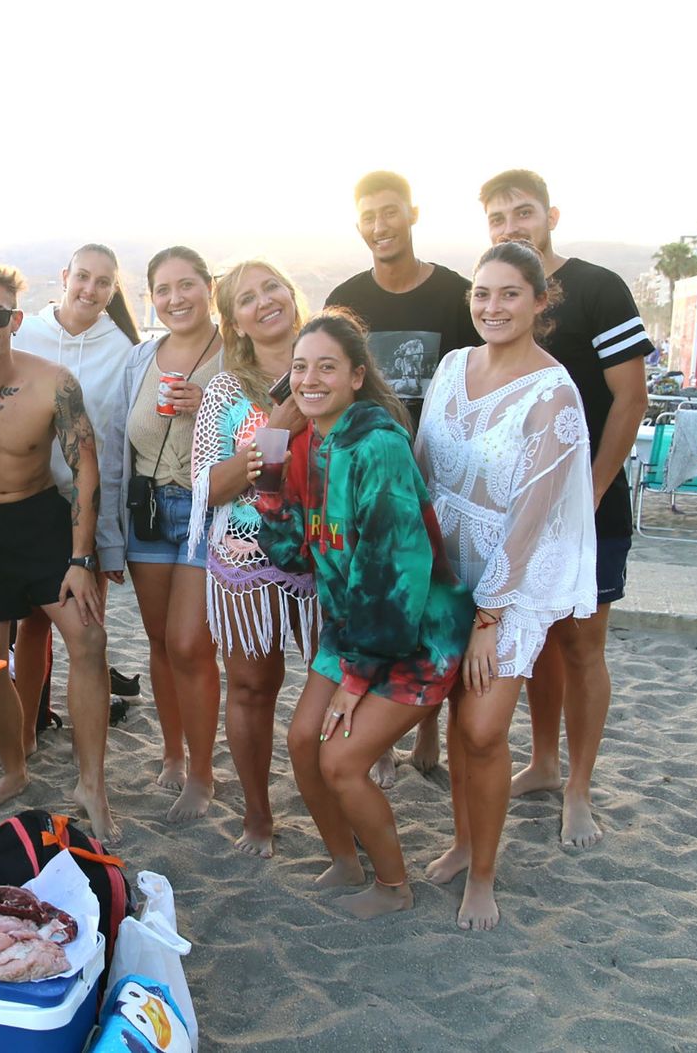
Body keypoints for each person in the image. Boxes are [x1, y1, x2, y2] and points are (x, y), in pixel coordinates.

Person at [256, 311, 471, 918]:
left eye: (327, 366)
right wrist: (272, 455)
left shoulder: (377, 445)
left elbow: (393, 572)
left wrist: (356, 679)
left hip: (417, 635)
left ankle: (393, 887)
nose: (309, 379)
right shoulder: (315, 444)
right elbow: (291, 552)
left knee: (343, 762)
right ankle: (346, 861)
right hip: (355, 627)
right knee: (302, 740)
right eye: (300, 367)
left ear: (356, 376)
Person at [416, 241, 598, 930]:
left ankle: (486, 875)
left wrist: (488, 614)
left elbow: (531, 515)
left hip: (509, 582)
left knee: (484, 726)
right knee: (460, 721)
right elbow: (424, 468)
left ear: (540, 302)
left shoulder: (555, 395)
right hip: (446, 567)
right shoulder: (453, 366)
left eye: (510, 294)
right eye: (482, 294)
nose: (492, 307)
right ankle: (464, 842)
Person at [481, 169, 650, 852]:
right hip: (519, 510)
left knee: (582, 646)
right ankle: (543, 763)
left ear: (550, 214)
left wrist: (594, 488)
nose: (512, 225)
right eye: (498, 217)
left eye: (523, 212)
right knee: (538, 641)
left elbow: (630, 398)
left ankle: (577, 787)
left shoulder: (599, 286)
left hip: (588, 505)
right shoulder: (496, 292)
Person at [0, 262, 118, 841]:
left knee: (88, 639)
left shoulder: (53, 381)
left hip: (43, 522)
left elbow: (87, 468)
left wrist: (82, 560)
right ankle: (14, 767)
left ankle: (93, 783)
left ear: (15, 318)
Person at [325, 170, 478, 784]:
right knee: (371, 593)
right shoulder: (346, 295)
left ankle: (429, 732)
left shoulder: (456, 295)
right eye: (369, 217)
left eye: (390, 212)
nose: (380, 226)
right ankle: (380, 740)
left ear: (412, 213)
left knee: (426, 596)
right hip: (368, 476)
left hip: (440, 473)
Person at [188, 260, 318, 857]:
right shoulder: (223, 390)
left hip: (330, 551)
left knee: (340, 683)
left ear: (293, 296)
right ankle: (259, 817)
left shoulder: (331, 363)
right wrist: (271, 437)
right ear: (233, 321)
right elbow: (207, 487)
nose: (264, 301)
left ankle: (341, 804)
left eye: (272, 287)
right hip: (247, 550)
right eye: (247, 298)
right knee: (252, 685)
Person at [10, 244, 142, 757]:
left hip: (90, 508)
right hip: (29, 498)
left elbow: (121, 442)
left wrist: (109, 533)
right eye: (82, 277)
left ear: (113, 290)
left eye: (103, 282)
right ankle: (27, 734)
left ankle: (88, 746)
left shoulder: (125, 349)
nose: (90, 289)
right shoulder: (28, 333)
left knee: (88, 631)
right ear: (64, 276)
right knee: (32, 627)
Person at [122, 247, 223, 823]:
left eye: (187, 285)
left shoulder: (233, 354)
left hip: (209, 508)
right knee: (159, 641)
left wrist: (207, 404)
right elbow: (121, 440)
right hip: (148, 509)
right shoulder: (141, 358)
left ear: (209, 288)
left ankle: (204, 773)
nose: (176, 298)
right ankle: (172, 752)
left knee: (190, 644)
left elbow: (257, 424)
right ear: (151, 297)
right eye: (163, 289)